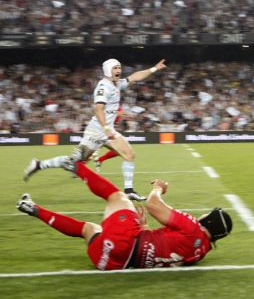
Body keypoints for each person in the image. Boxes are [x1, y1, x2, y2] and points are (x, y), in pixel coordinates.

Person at [16, 159, 232, 270]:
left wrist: (159, 188)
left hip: (125, 244)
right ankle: (34, 209)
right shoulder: (201, 252)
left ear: (210, 220)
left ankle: (76, 166)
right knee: (88, 229)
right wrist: (147, 232)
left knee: (118, 198)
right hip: (111, 263)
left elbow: (152, 205)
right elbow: (167, 251)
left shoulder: (193, 227)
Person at [23, 58, 167, 201]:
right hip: (97, 131)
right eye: (115, 68)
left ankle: (128, 191)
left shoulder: (117, 84)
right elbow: (98, 109)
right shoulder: (103, 87)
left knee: (129, 154)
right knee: (72, 162)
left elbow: (134, 77)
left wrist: (154, 68)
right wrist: (105, 128)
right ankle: (38, 164)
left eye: (119, 68)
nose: (119, 71)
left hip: (108, 130)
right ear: (107, 70)